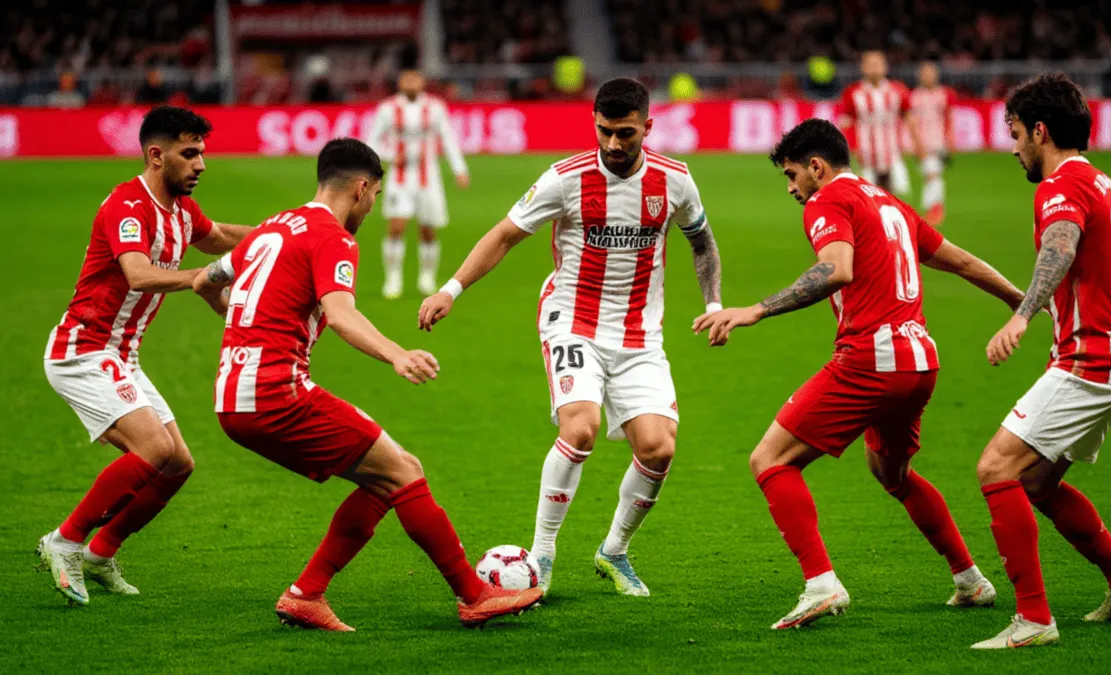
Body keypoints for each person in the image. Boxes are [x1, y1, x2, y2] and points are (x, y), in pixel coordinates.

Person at [193, 138, 541, 631]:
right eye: (375, 194)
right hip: (276, 393)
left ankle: (306, 593)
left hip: (231, 397)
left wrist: (235, 314)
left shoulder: (270, 227)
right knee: (403, 472)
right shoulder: (333, 237)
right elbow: (339, 315)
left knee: (391, 473)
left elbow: (204, 281)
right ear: (360, 189)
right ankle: (473, 595)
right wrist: (398, 354)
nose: (374, 206)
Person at [693, 118, 1024, 631]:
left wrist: (757, 309)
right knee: (892, 473)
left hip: (872, 359)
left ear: (817, 167)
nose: (792, 189)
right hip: (920, 361)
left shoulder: (829, 201)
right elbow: (958, 261)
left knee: (770, 460)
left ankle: (821, 584)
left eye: (792, 175)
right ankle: (970, 579)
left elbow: (836, 268)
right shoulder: (889, 203)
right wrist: (1019, 301)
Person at [419, 77, 722, 598]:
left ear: (648, 127)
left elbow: (702, 242)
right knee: (580, 428)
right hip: (572, 321)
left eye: (626, 133)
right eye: (605, 131)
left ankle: (614, 552)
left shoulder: (676, 181)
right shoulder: (565, 179)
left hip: (639, 334)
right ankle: (542, 553)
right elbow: (504, 235)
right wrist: (452, 288)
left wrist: (713, 303)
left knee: (659, 448)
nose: (613, 144)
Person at [38, 106, 253, 605]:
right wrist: (204, 277)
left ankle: (100, 552)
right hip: (82, 350)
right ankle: (64, 541)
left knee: (178, 465)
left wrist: (284, 234)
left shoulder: (181, 211)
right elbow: (138, 274)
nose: (201, 164)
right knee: (154, 451)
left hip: (120, 354)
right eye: (190, 153)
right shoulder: (127, 206)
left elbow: (219, 239)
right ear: (156, 155)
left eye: (203, 152)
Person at [973, 73, 1111, 650]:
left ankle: (1033, 620)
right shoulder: (1101, 180)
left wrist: (1022, 314)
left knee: (996, 468)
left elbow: (1060, 246)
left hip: (1091, 360)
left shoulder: (1058, 187)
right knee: (1038, 482)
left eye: (1016, 134)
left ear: (1041, 131)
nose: (1012, 147)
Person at [367, 68, 469, 299]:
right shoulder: (387, 109)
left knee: (428, 228)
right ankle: (393, 279)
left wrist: (459, 169)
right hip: (399, 178)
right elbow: (372, 142)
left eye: (415, 78)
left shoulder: (435, 107)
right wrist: (392, 156)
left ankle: (427, 278)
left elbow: (448, 138)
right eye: (407, 78)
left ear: (422, 82)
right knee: (396, 226)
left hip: (428, 178)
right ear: (400, 82)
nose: (411, 82)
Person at [837, 50, 919, 196]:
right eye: (870, 64)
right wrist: (850, 149)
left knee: (898, 195)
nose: (874, 68)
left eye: (878, 64)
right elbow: (846, 122)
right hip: (866, 153)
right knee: (869, 196)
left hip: (893, 152)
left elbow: (909, 117)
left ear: (885, 67)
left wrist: (917, 144)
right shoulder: (853, 92)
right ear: (863, 67)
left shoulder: (897, 90)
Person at [910, 62, 956, 227]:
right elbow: (911, 122)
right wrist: (915, 143)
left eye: (931, 73)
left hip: (938, 141)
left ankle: (933, 210)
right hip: (922, 142)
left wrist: (950, 139)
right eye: (925, 74)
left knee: (933, 174)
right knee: (930, 175)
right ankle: (935, 208)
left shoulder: (944, 94)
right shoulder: (914, 96)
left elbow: (948, 118)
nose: (928, 77)